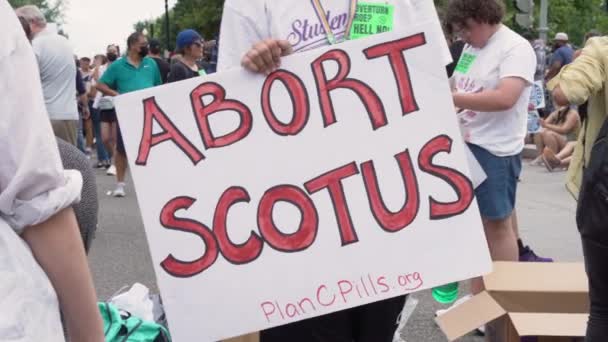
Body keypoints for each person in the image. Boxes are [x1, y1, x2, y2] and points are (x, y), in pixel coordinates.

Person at [218, 0, 450, 341]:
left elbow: (432, 80)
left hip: (386, 201)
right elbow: (228, 105)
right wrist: (251, 69)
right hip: (298, 212)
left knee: (374, 332)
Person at [1, 1, 104, 340]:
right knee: (66, 169)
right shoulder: (64, 44)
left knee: (61, 168)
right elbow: (34, 188)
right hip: (60, 115)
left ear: (29, 24)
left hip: (43, 114)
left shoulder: (38, 46)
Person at [447, 0, 536, 306]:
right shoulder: (473, 48)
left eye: (466, 28)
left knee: (497, 226)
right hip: (468, 143)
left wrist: (451, 98)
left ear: (482, 17)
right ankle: (478, 297)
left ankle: (502, 302)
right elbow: (459, 86)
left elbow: (505, 97)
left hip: (495, 149)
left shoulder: (515, 48)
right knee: (478, 227)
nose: (463, 36)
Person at [548, 35, 608, 342]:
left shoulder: (602, 50)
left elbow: (564, 93)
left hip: (603, 199)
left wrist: (580, 60)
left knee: (602, 309)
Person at [96, 32, 162, 197]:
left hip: (149, 111)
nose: (146, 47)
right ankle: (120, 184)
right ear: (132, 45)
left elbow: (158, 85)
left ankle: (153, 183)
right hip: (126, 112)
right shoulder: (118, 66)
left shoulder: (151, 63)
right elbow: (100, 85)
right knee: (122, 149)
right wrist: (116, 95)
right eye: (143, 44)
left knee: (152, 147)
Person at [16, 5, 81, 146]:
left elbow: (23, 82)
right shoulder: (64, 42)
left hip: (48, 117)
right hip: (69, 114)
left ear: (31, 22)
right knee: (69, 164)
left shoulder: (36, 46)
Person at [92, 44, 120, 173]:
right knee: (104, 138)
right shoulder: (103, 68)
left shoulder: (120, 66)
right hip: (103, 105)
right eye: (109, 51)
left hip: (116, 104)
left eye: (113, 51)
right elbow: (97, 82)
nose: (111, 53)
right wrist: (97, 65)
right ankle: (114, 158)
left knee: (114, 137)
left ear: (117, 53)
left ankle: (114, 164)